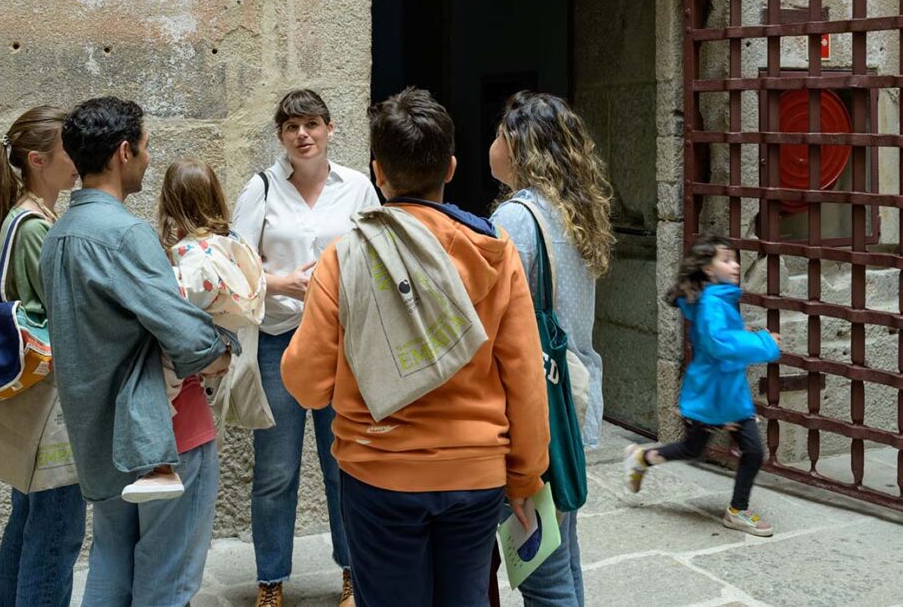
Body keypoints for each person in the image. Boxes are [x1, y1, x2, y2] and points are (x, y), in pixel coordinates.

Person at [282, 87, 550, 607]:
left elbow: (306, 385)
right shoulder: (494, 252)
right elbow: (524, 375)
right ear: (450, 167)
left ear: (378, 173)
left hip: (378, 470)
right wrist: (525, 474)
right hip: (475, 470)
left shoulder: (344, 258)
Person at [40, 96, 232, 605]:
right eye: (145, 147)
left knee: (110, 566)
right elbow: (189, 338)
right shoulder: (124, 233)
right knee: (167, 580)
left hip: (100, 435)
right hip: (165, 432)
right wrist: (224, 351)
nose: (148, 159)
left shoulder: (58, 235)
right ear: (124, 152)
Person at [232, 88, 378, 607]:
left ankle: (354, 573)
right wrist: (281, 283)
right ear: (280, 135)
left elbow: (379, 254)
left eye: (312, 124)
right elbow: (233, 266)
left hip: (342, 342)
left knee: (344, 465)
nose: (303, 134)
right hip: (280, 341)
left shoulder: (358, 188)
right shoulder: (261, 189)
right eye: (292, 127)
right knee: (276, 470)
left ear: (330, 128)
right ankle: (270, 580)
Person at [488, 91, 615, 606]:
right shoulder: (572, 211)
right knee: (563, 556)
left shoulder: (517, 218)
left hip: (534, 412)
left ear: (519, 147)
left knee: (543, 576)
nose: (493, 144)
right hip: (570, 402)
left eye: (500, 135)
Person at [0, 105, 86, 607]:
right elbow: (62, 314)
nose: (79, 159)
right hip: (51, 406)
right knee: (56, 533)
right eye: (69, 150)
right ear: (38, 160)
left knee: (27, 525)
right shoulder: (36, 225)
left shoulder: (28, 217)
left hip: (35, 400)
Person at [624, 233, 781, 537]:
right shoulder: (711, 303)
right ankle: (736, 511)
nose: (735, 265)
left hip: (724, 393)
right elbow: (720, 343)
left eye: (734, 259)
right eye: (726, 260)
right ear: (709, 269)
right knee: (733, 451)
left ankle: (643, 458)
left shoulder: (718, 299)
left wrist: (746, 332)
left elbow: (723, 337)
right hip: (714, 394)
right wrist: (765, 343)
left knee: (707, 449)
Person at [158, 157, 266, 406]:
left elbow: (177, 304)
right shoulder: (227, 243)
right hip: (228, 333)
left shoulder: (193, 254)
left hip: (208, 338)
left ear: (169, 203)